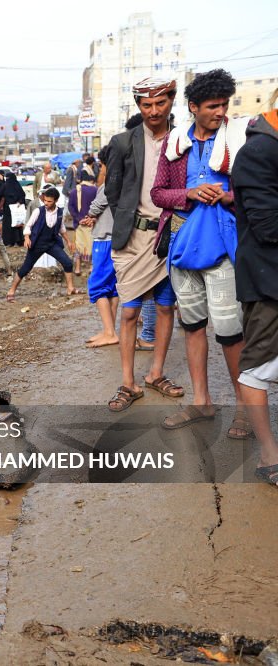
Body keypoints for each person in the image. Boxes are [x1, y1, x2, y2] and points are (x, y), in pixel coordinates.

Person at [151, 69, 250, 437]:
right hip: (181, 245)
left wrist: (227, 196)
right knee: (192, 327)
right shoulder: (175, 143)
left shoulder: (239, 139)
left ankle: (244, 410)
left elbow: (258, 190)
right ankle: (202, 402)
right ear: (193, 107)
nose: (220, 112)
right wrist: (189, 194)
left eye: (224, 105)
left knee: (229, 331)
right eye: (212, 106)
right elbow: (158, 193)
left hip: (223, 248)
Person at [104, 78, 184, 413]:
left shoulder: (184, 141)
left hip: (170, 237)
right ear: (138, 106)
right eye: (146, 105)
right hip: (133, 239)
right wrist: (128, 218)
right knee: (130, 312)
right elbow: (112, 190)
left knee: (166, 308)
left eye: (160, 103)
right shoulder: (122, 143)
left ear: (171, 101)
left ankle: (155, 374)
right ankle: (128, 382)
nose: (153, 111)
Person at [232, 104, 278, 487]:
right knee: (258, 364)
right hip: (269, 280)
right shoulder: (258, 152)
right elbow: (267, 225)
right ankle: (269, 454)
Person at [5, 188, 78, 302]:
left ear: (56, 201)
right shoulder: (38, 211)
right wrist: (27, 238)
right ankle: (11, 291)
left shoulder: (59, 212)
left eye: (49, 201)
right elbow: (28, 225)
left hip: (51, 243)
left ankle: (70, 288)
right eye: (45, 201)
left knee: (67, 263)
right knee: (26, 268)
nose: (46, 203)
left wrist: (68, 241)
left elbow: (61, 228)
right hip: (37, 244)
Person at [82, 149, 119, 348]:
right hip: (115, 238)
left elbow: (98, 203)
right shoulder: (124, 181)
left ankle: (110, 332)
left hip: (105, 239)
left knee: (96, 285)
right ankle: (109, 330)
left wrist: (90, 214)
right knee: (112, 287)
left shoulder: (110, 183)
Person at [68, 170, 98, 275]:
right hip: (91, 222)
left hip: (79, 223)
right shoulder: (95, 190)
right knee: (91, 244)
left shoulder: (73, 191)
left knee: (79, 245)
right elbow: (98, 206)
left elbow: (70, 207)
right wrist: (91, 217)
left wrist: (78, 218)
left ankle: (77, 268)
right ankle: (91, 266)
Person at [0, 169, 27, 247]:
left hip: (8, 208)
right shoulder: (17, 185)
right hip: (16, 207)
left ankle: (9, 242)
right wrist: (19, 202)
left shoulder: (5, 185)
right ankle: (18, 241)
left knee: (9, 224)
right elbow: (22, 195)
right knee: (16, 224)